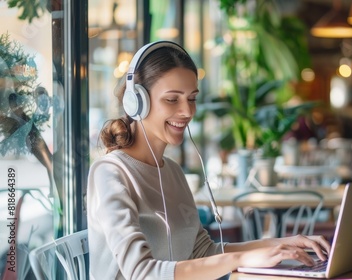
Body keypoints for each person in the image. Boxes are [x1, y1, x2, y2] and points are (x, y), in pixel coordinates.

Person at [86, 41, 330, 280]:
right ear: (137, 102)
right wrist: (241, 259)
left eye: (191, 98)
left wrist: (281, 244)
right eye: (172, 99)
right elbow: (141, 272)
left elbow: (203, 252)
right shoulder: (110, 173)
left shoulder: (172, 171)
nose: (187, 111)